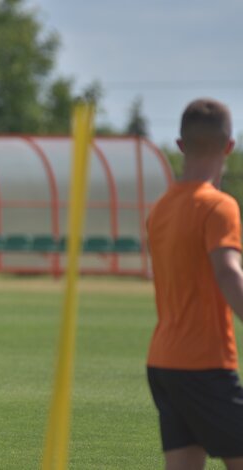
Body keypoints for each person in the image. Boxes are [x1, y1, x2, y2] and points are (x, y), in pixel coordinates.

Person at [146, 98, 243, 470]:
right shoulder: (219, 207)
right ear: (229, 146)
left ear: (181, 146)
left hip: (163, 363)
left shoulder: (160, 210)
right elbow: (228, 272)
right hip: (204, 363)